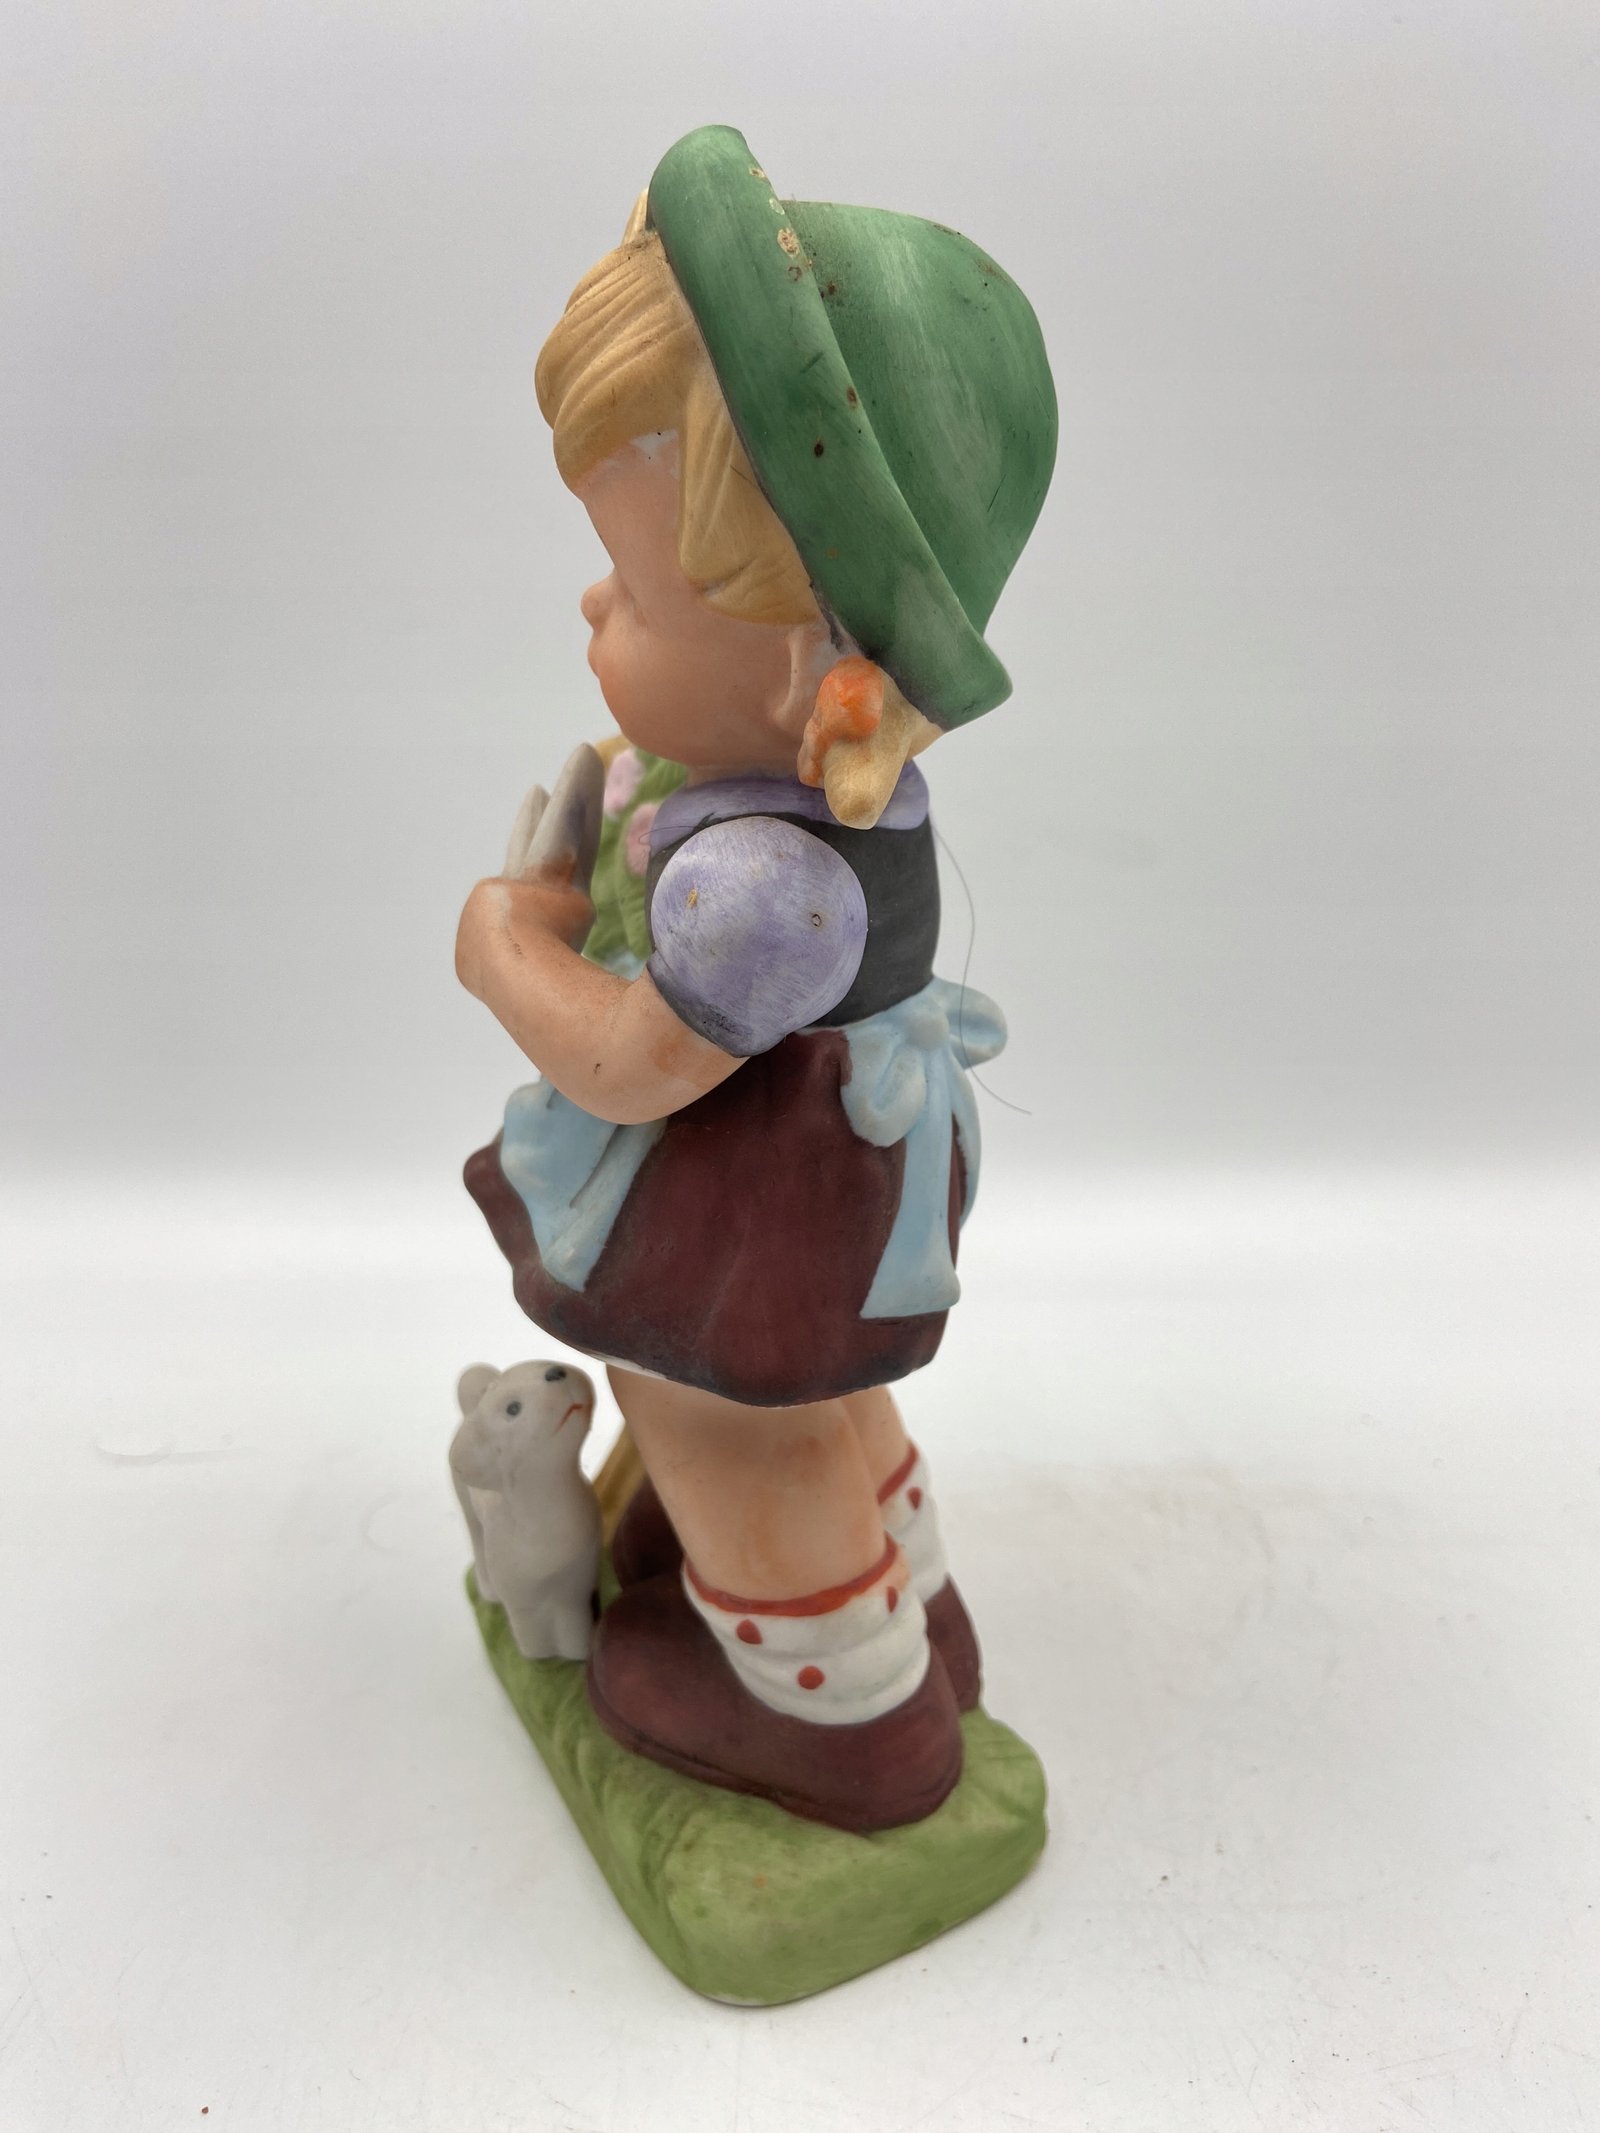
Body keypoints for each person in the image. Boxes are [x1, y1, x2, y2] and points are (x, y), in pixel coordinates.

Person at [455, 125, 1056, 1832]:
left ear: (818, 686)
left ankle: (844, 1711)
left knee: (725, 1414)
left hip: (757, 1188)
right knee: (822, 1401)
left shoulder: (765, 890)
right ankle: (901, 1592)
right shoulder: (784, 801)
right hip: (835, 1161)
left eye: (639, 595)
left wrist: (508, 948)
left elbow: (626, 1064)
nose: (594, 604)